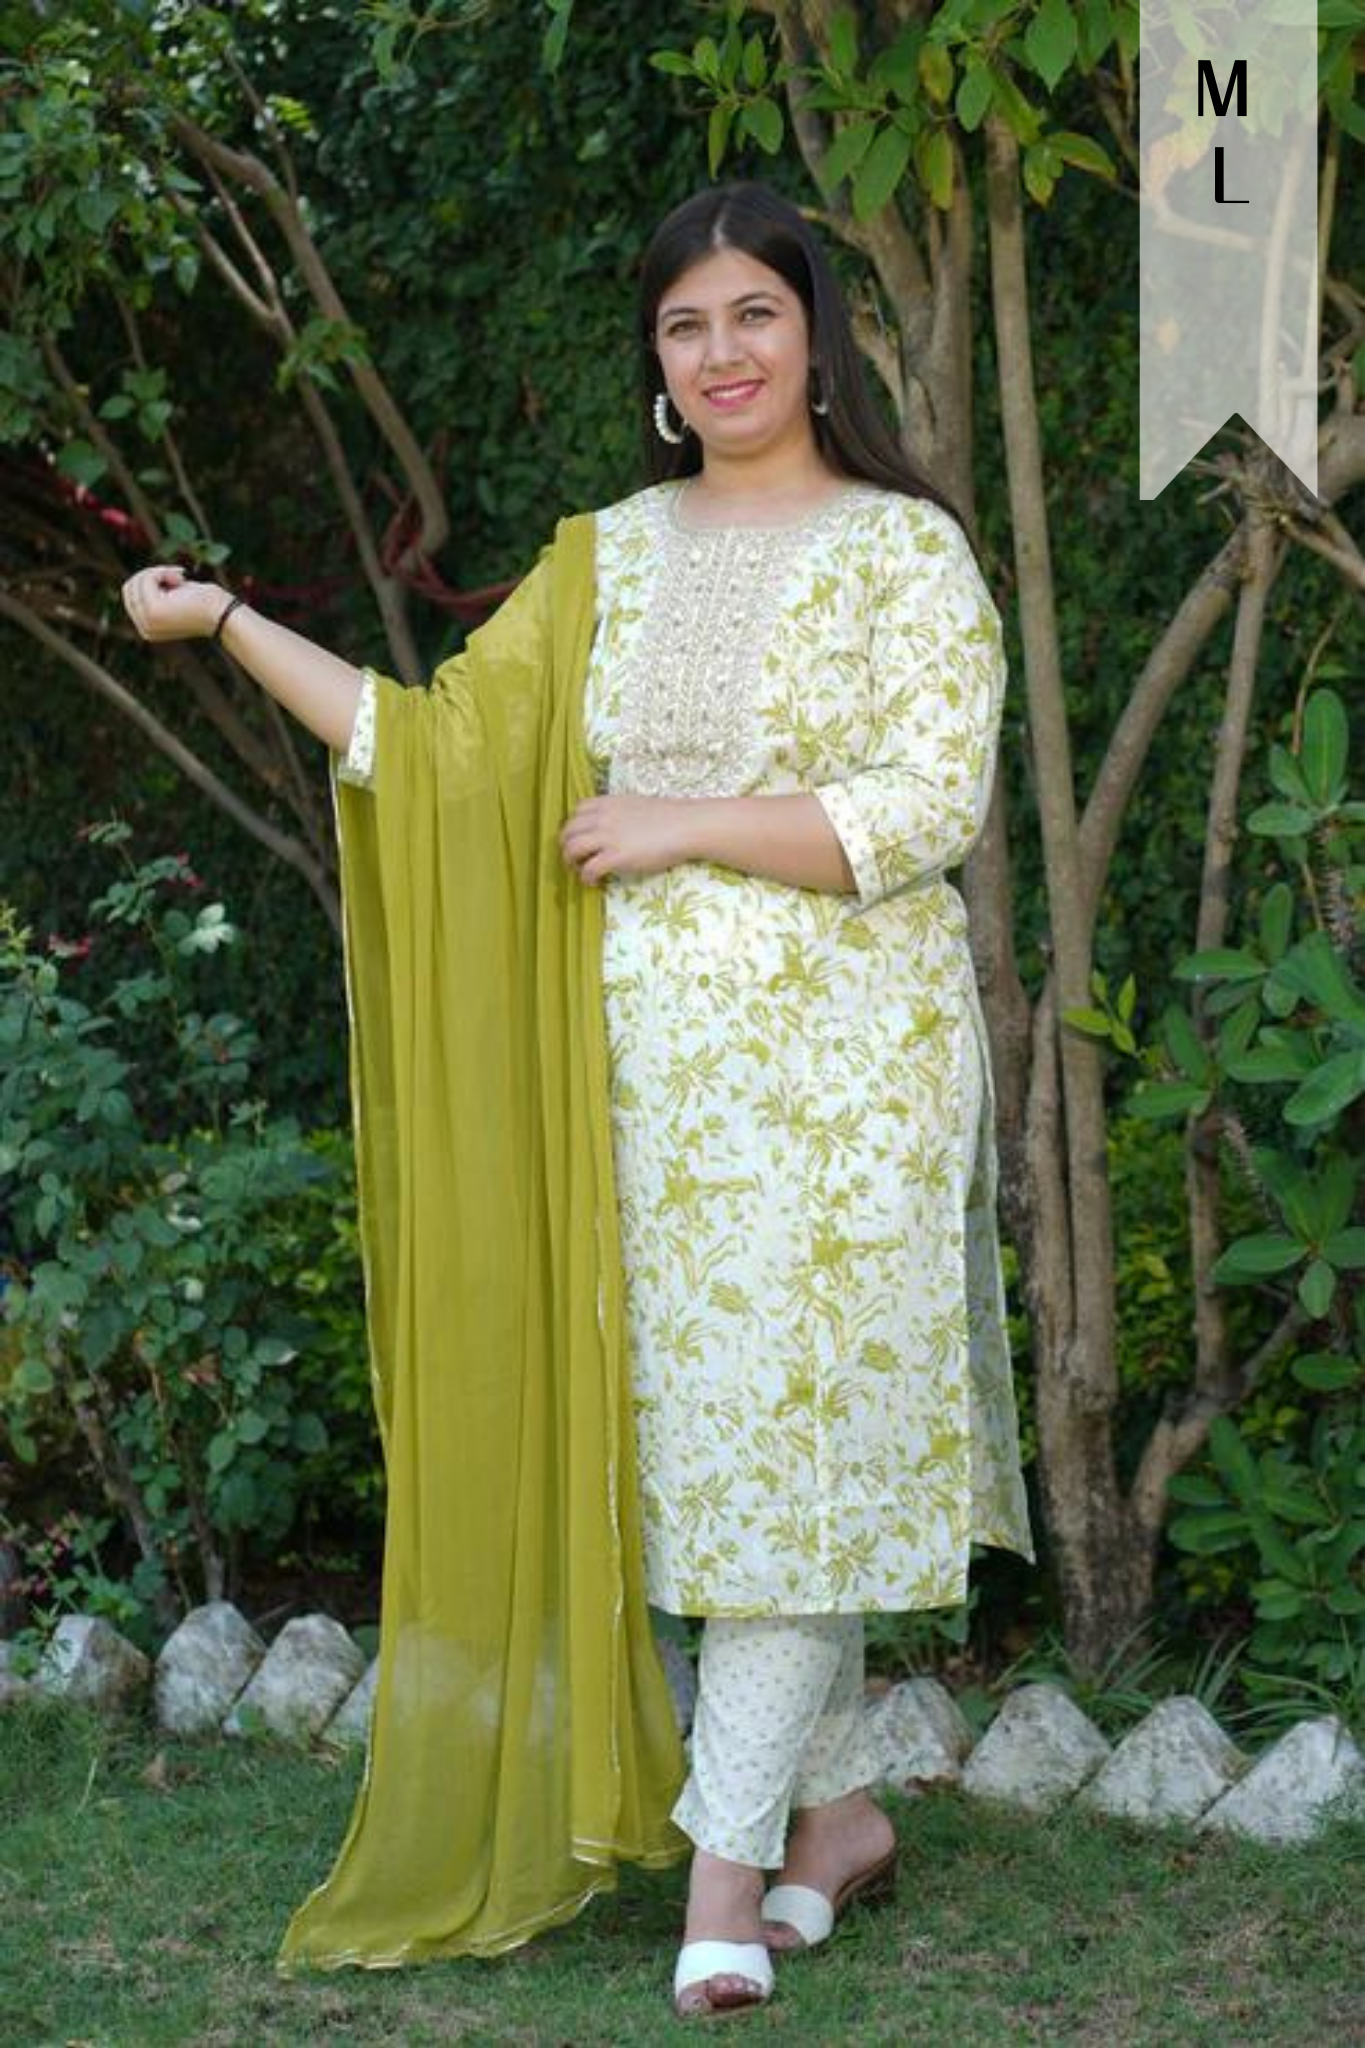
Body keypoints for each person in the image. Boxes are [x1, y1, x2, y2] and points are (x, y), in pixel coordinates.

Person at [122, 178, 1034, 2023]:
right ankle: (836, 1816)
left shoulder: (904, 554)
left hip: (853, 1082)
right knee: (712, 1462)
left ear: (817, 338)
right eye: (686, 326)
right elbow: (436, 752)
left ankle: (723, 1876)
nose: (721, 354)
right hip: (650, 1096)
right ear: (656, 363)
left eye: (755, 315)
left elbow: (929, 805)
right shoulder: (608, 556)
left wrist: (685, 821)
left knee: (790, 1448)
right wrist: (225, 624)